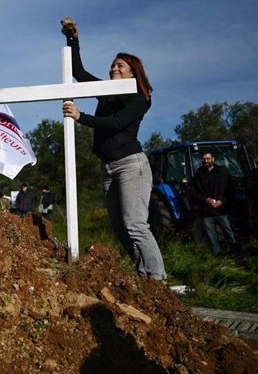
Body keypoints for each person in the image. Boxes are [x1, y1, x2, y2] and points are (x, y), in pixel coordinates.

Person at [60, 17, 166, 280]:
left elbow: (117, 122)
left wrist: (81, 117)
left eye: (120, 65)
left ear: (133, 72)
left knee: (135, 225)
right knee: (120, 228)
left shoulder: (139, 98)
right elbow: (79, 73)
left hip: (131, 165)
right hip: (107, 166)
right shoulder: (106, 91)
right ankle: (143, 276)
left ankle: (157, 279)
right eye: (112, 65)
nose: (113, 68)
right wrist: (72, 39)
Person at [189, 152, 238, 255]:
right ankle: (217, 256)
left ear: (213, 159)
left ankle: (236, 252)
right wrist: (205, 200)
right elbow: (193, 193)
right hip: (207, 212)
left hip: (222, 210)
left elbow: (230, 190)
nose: (206, 161)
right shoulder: (198, 175)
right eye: (204, 159)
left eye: (208, 158)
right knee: (212, 237)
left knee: (229, 232)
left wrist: (221, 201)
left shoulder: (223, 173)